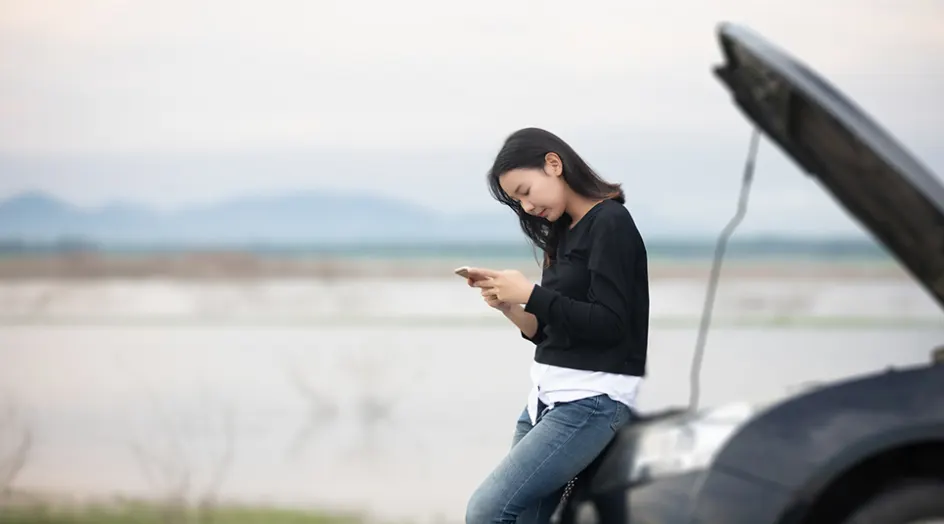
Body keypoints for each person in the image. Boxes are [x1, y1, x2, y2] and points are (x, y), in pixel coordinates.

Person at [462, 127, 650, 523]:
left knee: (487, 512)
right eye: (517, 202)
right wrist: (511, 306)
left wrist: (531, 293)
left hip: (592, 400)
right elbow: (551, 332)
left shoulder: (611, 223)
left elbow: (611, 324)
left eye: (526, 191)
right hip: (546, 398)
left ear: (553, 164)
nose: (527, 207)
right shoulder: (562, 233)